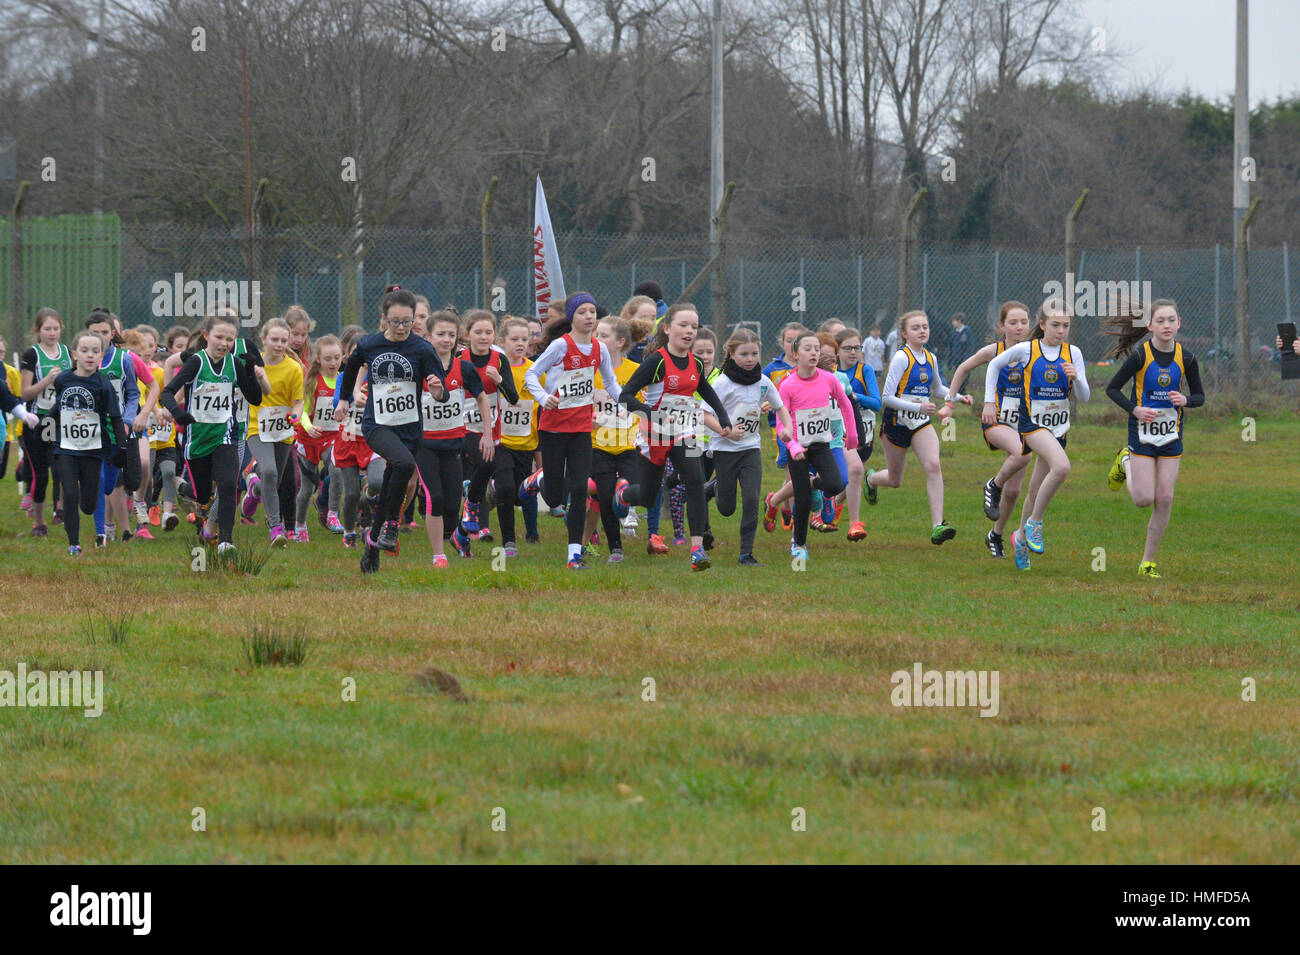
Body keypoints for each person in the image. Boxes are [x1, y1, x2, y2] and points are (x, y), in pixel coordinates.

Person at [335, 286, 459, 572]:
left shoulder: (422, 348)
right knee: (402, 463)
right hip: (377, 424)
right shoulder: (369, 345)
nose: (402, 327)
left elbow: (441, 390)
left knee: (395, 479)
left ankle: (373, 546)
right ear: (384, 319)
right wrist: (344, 399)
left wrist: (439, 391)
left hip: (410, 426)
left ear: (415, 319)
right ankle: (391, 523)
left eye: (407, 321)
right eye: (396, 322)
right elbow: (351, 368)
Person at [614, 303, 731, 572]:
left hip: (685, 433)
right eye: (683, 325)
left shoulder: (696, 363)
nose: (689, 331)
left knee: (696, 481)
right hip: (654, 435)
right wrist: (651, 414)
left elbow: (708, 392)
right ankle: (623, 494)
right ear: (667, 329)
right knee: (647, 494)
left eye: (694, 326)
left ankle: (697, 549)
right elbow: (626, 396)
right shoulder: (656, 361)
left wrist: (723, 418)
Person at [984, 297, 1091, 569]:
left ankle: (1019, 537)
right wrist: (988, 401)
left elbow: (1085, 397)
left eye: (1066, 325)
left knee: (1034, 490)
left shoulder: (1073, 353)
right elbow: (994, 365)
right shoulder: (1027, 349)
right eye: (1055, 324)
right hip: (1032, 426)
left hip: (1059, 428)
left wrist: (1076, 379)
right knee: (1063, 467)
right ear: (1042, 325)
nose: (1061, 330)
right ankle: (1034, 524)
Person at [1104, 299, 1205, 578]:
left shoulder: (1187, 358)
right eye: (1160, 321)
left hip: (1171, 435)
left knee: (1165, 498)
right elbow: (1112, 389)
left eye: (1171, 320)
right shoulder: (1140, 356)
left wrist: (1185, 399)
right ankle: (1124, 460)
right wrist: (1135, 409)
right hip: (1142, 434)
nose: (1166, 326)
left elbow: (1200, 397)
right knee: (1143, 499)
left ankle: (1147, 562)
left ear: (1179, 323)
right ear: (1149, 326)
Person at [522, 292, 621, 569]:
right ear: (571, 317)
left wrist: (628, 401)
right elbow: (532, 374)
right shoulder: (560, 347)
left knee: (579, 490)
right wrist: (543, 398)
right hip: (553, 428)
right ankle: (536, 480)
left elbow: (611, 383)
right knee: (555, 497)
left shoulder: (599, 349)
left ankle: (573, 556)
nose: (589, 317)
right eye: (583, 312)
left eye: (593, 312)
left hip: (581, 427)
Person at [160, 313, 263, 553]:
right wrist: (178, 413)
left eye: (230, 339)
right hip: (196, 441)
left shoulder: (234, 364)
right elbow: (167, 393)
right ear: (206, 336)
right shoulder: (196, 362)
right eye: (219, 337)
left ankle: (226, 541)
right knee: (202, 494)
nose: (224, 343)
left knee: (228, 485)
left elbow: (255, 398)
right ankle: (181, 486)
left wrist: (249, 372)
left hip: (224, 436)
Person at [866, 310, 967, 545]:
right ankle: (871, 480)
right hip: (896, 422)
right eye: (915, 328)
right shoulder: (902, 358)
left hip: (920, 423)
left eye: (925, 326)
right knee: (895, 480)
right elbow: (886, 398)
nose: (922, 331)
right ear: (904, 333)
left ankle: (937, 526)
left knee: (933, 464)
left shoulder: (931, 358)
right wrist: (917, 408)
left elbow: (938, 389)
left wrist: (960, 397)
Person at [946, 301, 1034, 559]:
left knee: (1015, 490)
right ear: (1002, 326)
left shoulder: (1034, 352)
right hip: (995, 420)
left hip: (1023, 424)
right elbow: (962, 368)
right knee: (1023, 453)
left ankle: (995, 534)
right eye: (1013, 322)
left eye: (1024, 322)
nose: (1019, 327)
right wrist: (950, 403)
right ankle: (992, 485)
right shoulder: (993, 351)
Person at [701, 328, 791, 566]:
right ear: (731, 353)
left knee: (751, 500)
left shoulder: (763, 381)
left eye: (754, 353)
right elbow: (704, 415)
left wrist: (788, 429)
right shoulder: (722, 383)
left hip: (751, 449)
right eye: (744, 354)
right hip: (725, 450)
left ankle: (746, 554)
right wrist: (726, 431)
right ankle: (715, 486)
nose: (750, 359)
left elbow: (780, 406)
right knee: (727, 508)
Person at [777, 330, 858, 563]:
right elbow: (783, 420)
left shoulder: (828, 379)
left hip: (822, 444)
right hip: (798, 448)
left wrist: (851, 436)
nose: (813, 353)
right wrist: (792, 447)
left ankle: (812, 483)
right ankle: (799, 544)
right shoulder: (788, 385)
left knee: (836, 483)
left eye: (816, 349)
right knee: (802, 499)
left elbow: (845, 404)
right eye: (807, 349)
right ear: (795, 354)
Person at [421, 308, 491, 565]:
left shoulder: (465, 368)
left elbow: (482, 398)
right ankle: (438, 554)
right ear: (429, 336)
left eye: (451, 335)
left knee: (452, 504)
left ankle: (457, 536)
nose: (446, 340)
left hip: (453, 444)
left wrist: (486, 433)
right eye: (440, 334)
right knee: (435, 498)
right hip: (424, 444)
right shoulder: (420, 368)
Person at [48, 331, 121, 555]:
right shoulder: (62, 379)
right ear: (74, 354)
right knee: (69, 493)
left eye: (95, 351)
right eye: (84, 350)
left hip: (93, 449)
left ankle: (86, 505)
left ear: (101, 356)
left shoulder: (103, 385)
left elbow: (115, 417)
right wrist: (45, 426)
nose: (90, 355)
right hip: (66, 447)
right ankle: (74, 544)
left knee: (88, 506)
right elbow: (59, 407)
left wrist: (123, 446)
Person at [243, 317, 304, 547]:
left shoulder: (294, 368)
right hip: (256, 426)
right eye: (274, 340)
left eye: (284, 340)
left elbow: (298, 402)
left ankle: (254, 490)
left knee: (273, 480)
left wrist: (295, 416)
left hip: (283, 430)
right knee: (269, 471)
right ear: (263, 339)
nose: (279, 344)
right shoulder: (253, 364)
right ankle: (275, 528)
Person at [585, 315, 642, 563]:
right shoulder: (590, 371)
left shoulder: (636, 371)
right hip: (599, 447)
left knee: (633, 489)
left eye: (603, 336)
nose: (597, 340)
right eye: (596, 335)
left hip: (629, 446)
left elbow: (646, 404)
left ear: (620, 342)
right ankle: (615, 549)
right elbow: (578, 405)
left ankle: (626, 499)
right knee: (606, 497)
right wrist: (590, 419)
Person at [459, 309, 518, 543]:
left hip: (493, 429)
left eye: (488, 332)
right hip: (464, 429)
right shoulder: (458, 359)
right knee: (487, 460)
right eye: (478, 332)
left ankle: (507, 541)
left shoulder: (499, 360)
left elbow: (513, 398)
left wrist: (499, 381)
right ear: (467, 334)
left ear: (494, 335)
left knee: (506, 486)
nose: (484, 337)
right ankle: (473, 502)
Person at [19, 308, 72, 537]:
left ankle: (59, 510)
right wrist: (48, 380)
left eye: (56, 328)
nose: (52, 333)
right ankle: (38, 523)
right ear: (38, 330)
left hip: (62, 419)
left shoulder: (68, 353)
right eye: (47, 329)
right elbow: (25, 394)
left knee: (63, 469)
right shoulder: (32, 355)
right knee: (41, 475)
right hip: (38, 422)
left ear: (61, 329)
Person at [496, 317, 542, 552]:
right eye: (514, 339)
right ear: (502, 341)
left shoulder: (535, 370)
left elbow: (543, 403)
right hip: (502, 441)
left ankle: (532, 532)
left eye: (525, 339)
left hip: (527, 441)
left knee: (526, 490)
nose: (520, 343)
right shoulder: (496, 369)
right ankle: (509, 539)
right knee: (505, 488)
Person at [292, 335, 343, 542]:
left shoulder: (343, 378)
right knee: (307, 488)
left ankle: (332, 513)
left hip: (332, 436)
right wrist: (308, 426)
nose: (333, 363)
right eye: (328, 359)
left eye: (337, 358)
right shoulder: (313, 381)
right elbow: (301, 410)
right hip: (309, 438)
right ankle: (300, 525)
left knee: (337, 468)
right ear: (319, 359)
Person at [834, 326, 880, 541]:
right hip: (840, 431)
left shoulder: (865, 370)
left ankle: (834, 503)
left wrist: (852, 398)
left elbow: (877, 403)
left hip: (864, 431)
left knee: (855, 472)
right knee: (854, 470)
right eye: (848, 348)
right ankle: (854, 522)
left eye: (857, 348)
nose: (853, 352)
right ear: (837, 350)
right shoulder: (832, 371)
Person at [948, 312, 972, 377]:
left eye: (954, 321)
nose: (952, 323)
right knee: (957, 376)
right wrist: (950, 361)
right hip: (956, 360)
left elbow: (969, 346)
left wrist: (966, 358)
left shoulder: (967, 331)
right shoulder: (953, 333)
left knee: (965, 377)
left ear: (959, 321)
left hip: (964, 359)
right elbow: (951, 347)